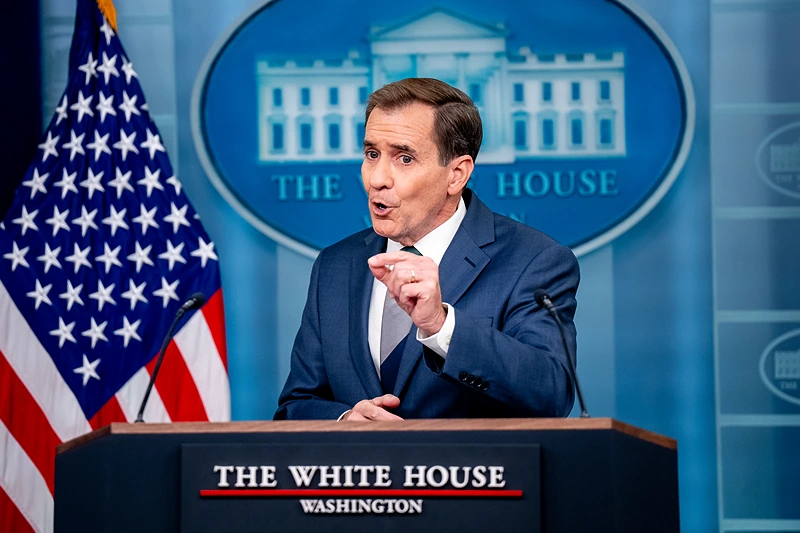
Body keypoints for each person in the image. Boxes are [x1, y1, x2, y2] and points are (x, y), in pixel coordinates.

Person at [274, 78, 579, 421]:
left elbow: (551, 392)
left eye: (404, 158)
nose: (377, 178)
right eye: (372, 154)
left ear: (456, 175)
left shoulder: (534, 261)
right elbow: (296, 405)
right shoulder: (335, 264)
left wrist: (441, 325)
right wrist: (343, 421)